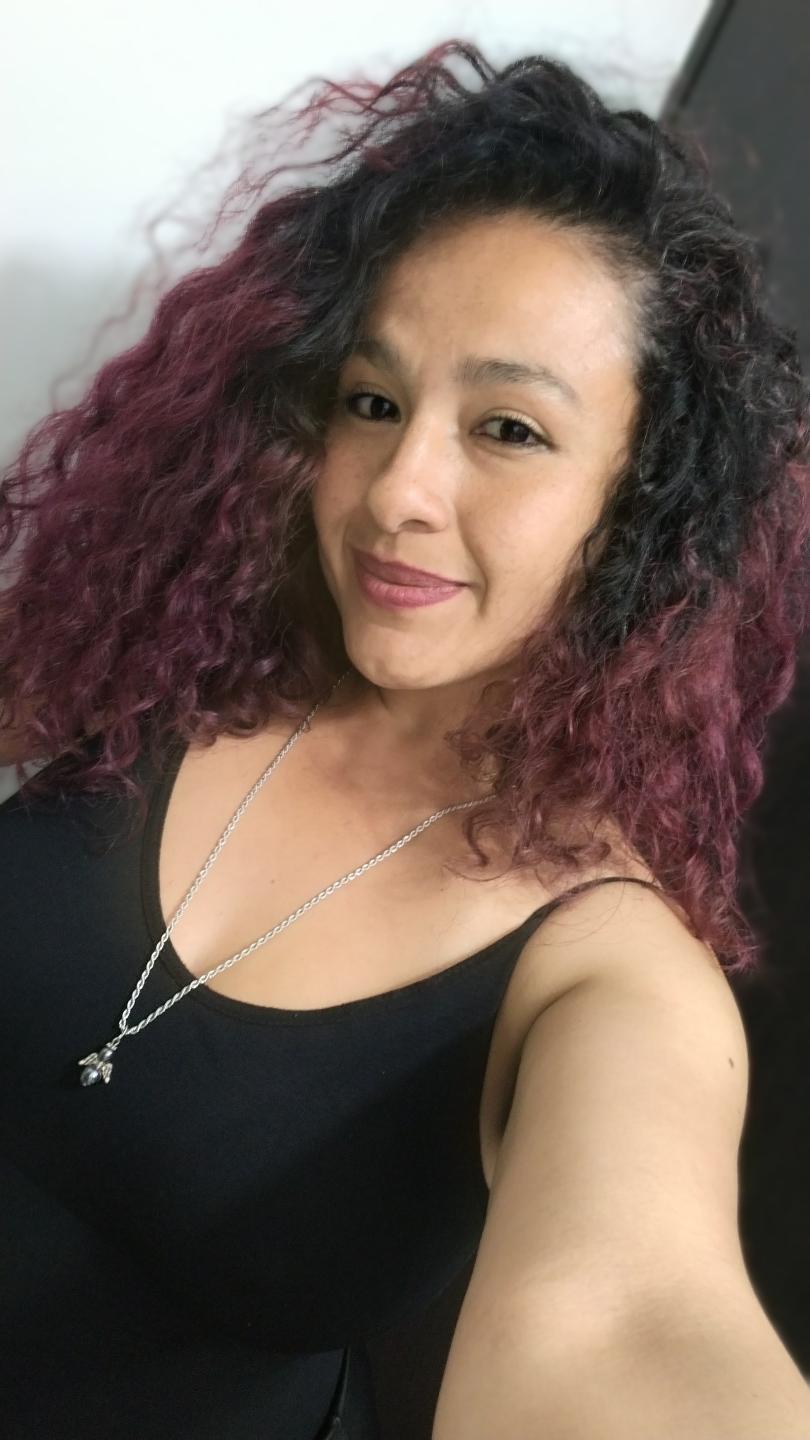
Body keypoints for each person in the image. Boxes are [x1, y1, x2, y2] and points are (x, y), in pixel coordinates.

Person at [1, 36, 809, 1440]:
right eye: (372, 403)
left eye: (507, 428)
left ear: (639, 505)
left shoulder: (603, 966)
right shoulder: (162, 651)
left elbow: (628, 1320)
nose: (398, 491)